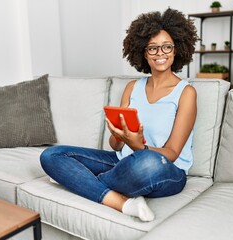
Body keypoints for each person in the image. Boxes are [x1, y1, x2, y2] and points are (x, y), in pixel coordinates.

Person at [40, 8, 198, 222]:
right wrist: (119, 135)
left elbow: (171, 152)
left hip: (165, 170)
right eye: (152, 48)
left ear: (177, 49)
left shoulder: (186, 93)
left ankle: (79, 179)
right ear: (143, 52)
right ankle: (122, 203)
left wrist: (138, 147)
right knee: (51, 156)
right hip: (123, 162)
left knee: (147, 162)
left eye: (166, 46)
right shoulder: (133, 87)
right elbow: (115, 146)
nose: (160, 53)